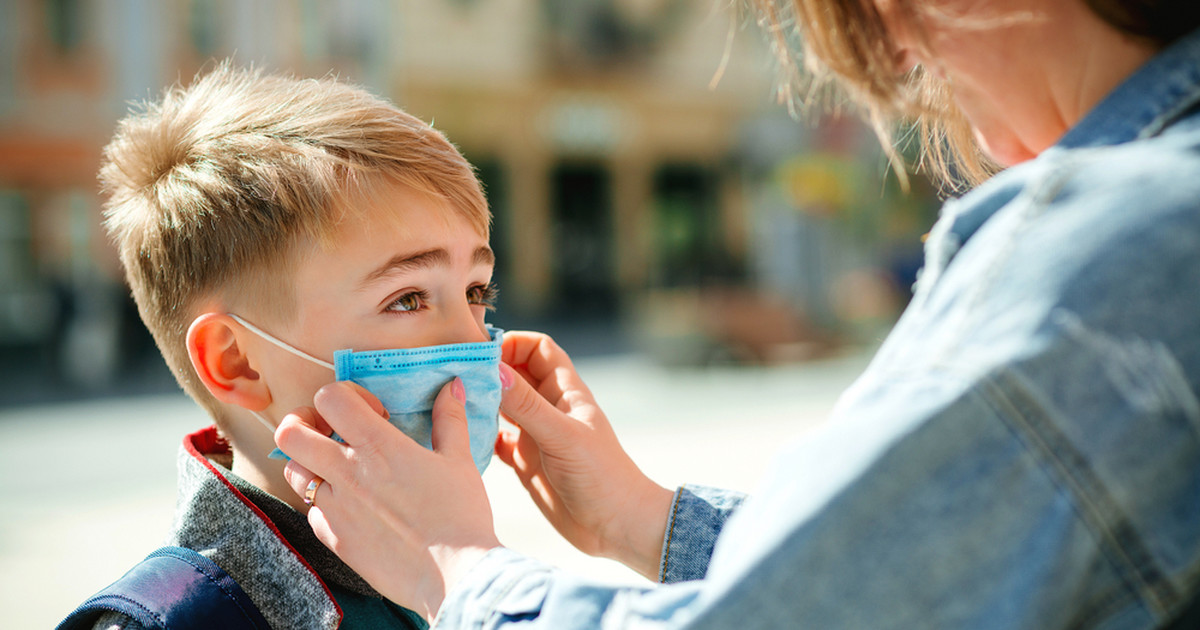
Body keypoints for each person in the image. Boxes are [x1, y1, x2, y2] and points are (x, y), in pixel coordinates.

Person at [275, 0, 1200, 628]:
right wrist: (643, 520)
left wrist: (455, 564)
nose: (904, 59)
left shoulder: (1114, 234)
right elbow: (909, 579)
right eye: (406, 296)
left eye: (475, 291)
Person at [58, 62, 504, 629]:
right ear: (236, 361)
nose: (476, 339)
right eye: (408, 298)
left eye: (475, 291)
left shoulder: (423, 565)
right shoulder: (177, 621)